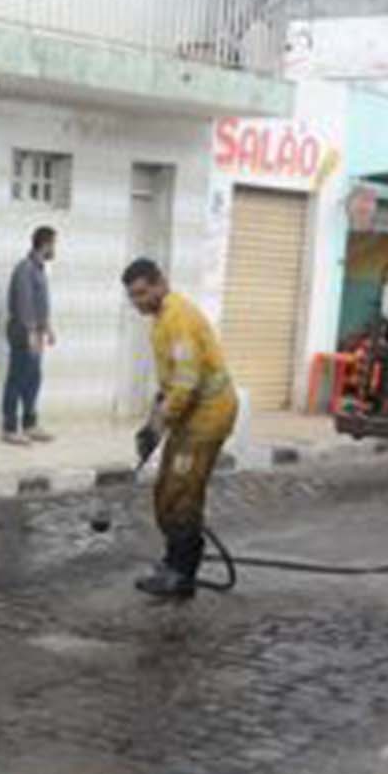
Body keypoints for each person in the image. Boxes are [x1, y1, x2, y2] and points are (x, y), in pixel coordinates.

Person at [123, 257, 238, 601]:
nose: (138, 302)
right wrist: (151, 424)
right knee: (166, 492)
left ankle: (183, 575)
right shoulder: (159, 319)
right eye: (132, 297)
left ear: (160, 283)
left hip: (208, 417)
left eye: (143, 293)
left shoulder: (179, 318)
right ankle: (173, 562)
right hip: (188, 415)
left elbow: (186, 383)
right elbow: (171, 382)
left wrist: (161, 424)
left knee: (182, 493)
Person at [2, 226, 56, 446]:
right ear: (45, 244)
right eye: (54, 244)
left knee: (33, 379)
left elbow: (39, 303)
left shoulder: (39, 269)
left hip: (35, 333)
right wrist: (32, 333)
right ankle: (9, 428)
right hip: (23, 333)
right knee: (17, 379)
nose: (55, 249)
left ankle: (30, 424)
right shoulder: (25, 269)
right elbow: (24, 304)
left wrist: (48, 328)